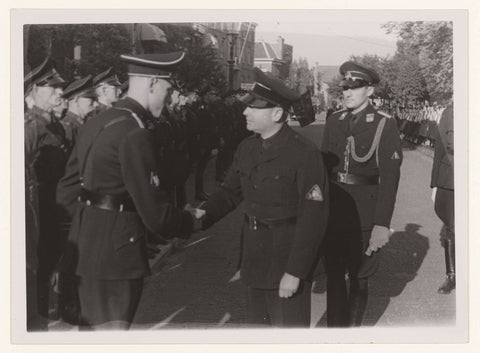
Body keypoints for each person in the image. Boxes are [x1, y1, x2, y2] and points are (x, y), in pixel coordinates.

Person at [56, 51, 198, 330]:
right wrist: (190, 221)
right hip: (117, 256)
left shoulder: (100, 120)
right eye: (168, 90)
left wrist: (84, 234)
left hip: (83, 249)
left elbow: (67, 190)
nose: (169, 98)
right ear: (153, 83)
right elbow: (155, 213)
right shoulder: (135, 131)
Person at [195, 68, 329, 327]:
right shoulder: (247, 148)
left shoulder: (304, 153)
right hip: (254, 260)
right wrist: (201, 216)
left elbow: (314, 218)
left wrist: (295, 271)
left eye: (253, 108)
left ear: (277, 113)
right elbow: (229, 192)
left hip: (286, 261)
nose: (245, 112)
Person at [320, 61, 403, 327]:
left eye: (354, 88)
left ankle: (352, 334)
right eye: (345, 87)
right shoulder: (335, 121)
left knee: (359, 277)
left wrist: (382, 224)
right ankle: (335, 334)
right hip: (334, 210)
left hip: (364, 214)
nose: (347, 93)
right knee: (333, 275)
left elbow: (390, 181)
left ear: (369, 91)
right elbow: (323, 170)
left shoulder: (384, 124)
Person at [24, 57, 69, 327]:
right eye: (52, 88)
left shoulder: (48, 124)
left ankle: (39, 313)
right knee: (34, 265)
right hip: (35, 210)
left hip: (48, 208)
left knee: (46, 261)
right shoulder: (31, 126)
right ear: (31, 93)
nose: (60, 93)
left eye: (59, 88)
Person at [430, 103, 454, 294]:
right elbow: (439, 147)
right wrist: (435, 184)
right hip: (450, 180)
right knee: (451, 226)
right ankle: (452, 276)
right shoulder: (449, 112)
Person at [61, 75, 97, 146]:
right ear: (76, 99)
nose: (95, 104)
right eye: (91, 99)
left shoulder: (83, 124)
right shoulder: (67, 128)